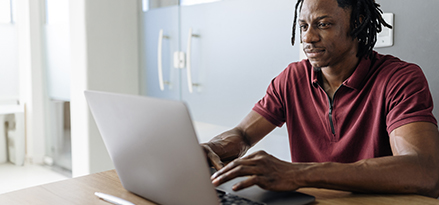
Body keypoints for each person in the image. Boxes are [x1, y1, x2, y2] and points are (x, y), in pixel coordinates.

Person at [202, 0, 439, 198]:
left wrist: (299, 173)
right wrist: (211, 149)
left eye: (323, 24)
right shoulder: (292, 78)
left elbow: (423, 170)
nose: (308, 37)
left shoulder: (400, 78)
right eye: (303, 26)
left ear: (356, 23)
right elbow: (243, 134)